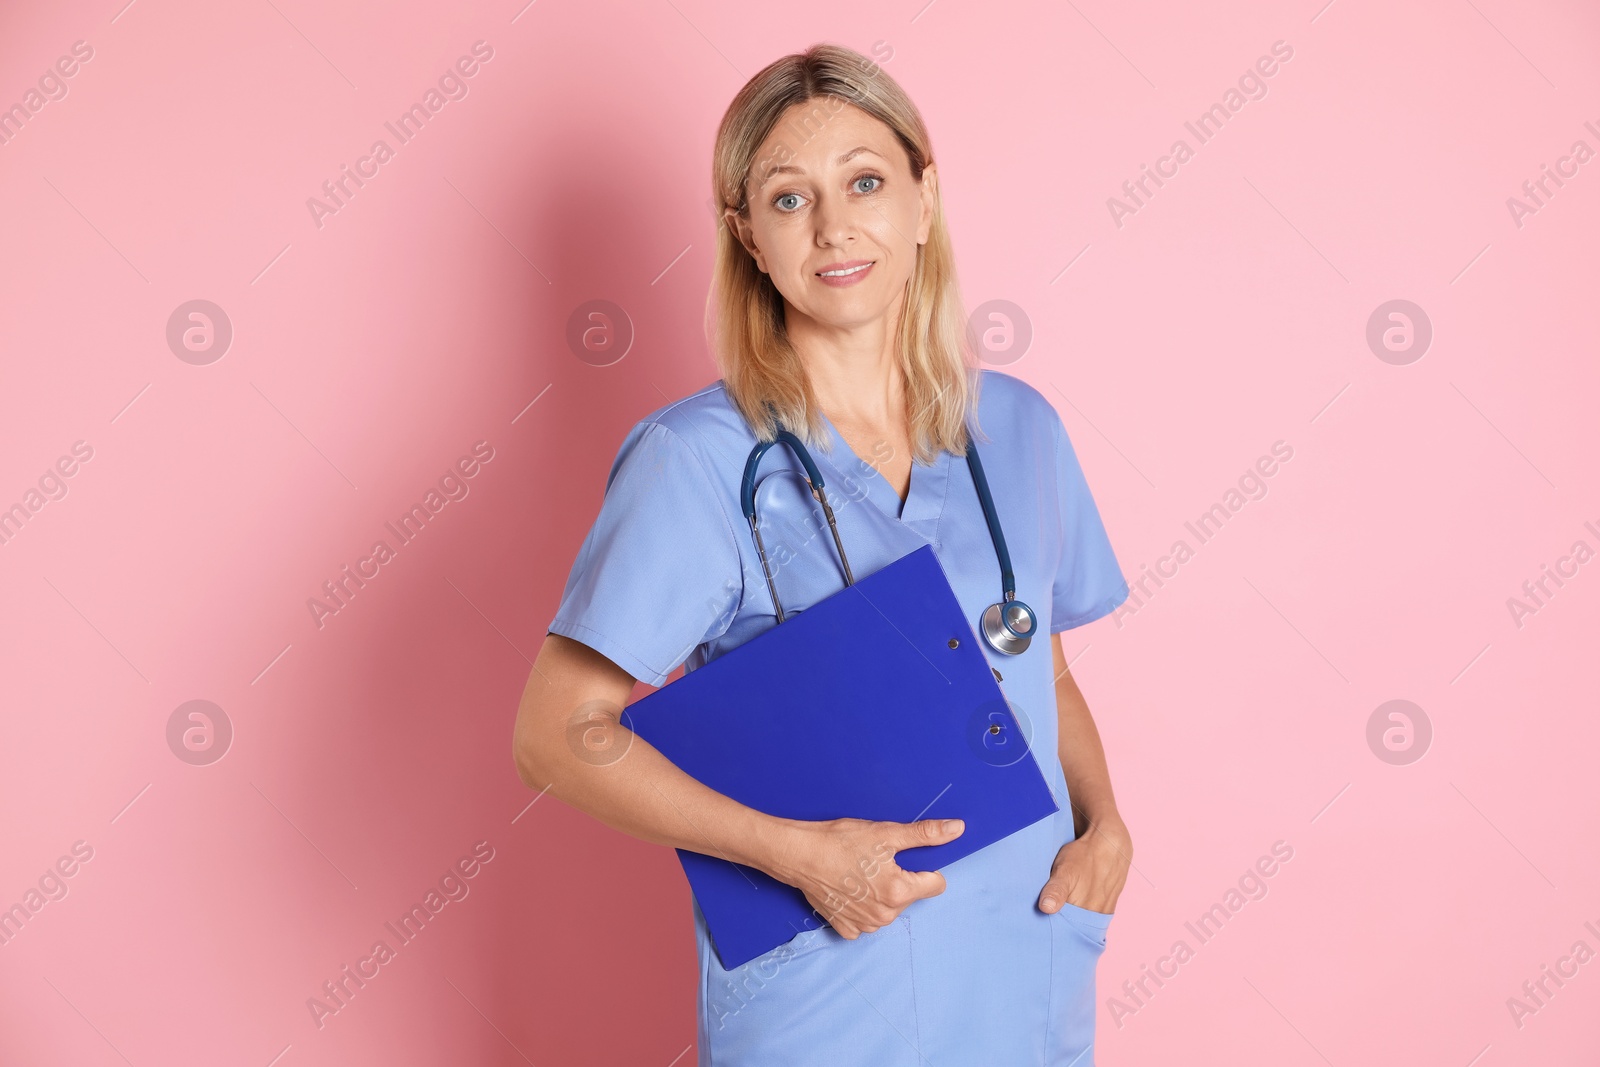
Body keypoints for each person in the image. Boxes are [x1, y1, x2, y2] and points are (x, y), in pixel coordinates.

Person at [512, 42, 1133, 1066]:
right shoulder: (697, 460)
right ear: (747, 235)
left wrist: (1105, 820)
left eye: (865, 181)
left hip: (1023, 970)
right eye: (789, 198)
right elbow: (554, 733)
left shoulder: (1019, 429)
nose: (836, 223)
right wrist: (798, 855)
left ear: (922, 202)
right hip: (833, 988)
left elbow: (1040, 666)